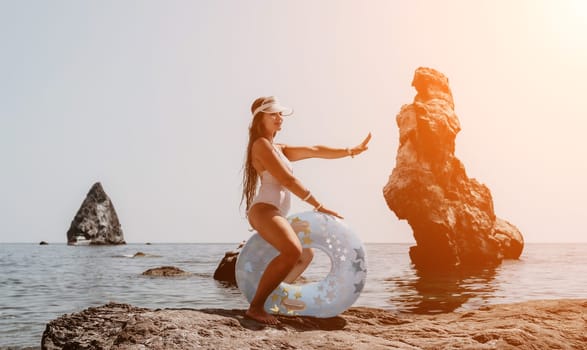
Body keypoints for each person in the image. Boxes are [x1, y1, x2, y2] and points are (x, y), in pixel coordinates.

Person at [241, 96, 371, 324]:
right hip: (264, 209)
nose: (279, 118)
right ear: (260, 118)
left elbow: (315, 150)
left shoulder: (278, 148)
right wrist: (319, 206)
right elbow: (287, 180)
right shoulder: (261, 145)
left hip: (275, 212)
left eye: (280, 114)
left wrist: (351, 150)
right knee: (292, 250)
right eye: (273, 114)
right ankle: (255, 307)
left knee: (305, 255)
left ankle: (273, 299)